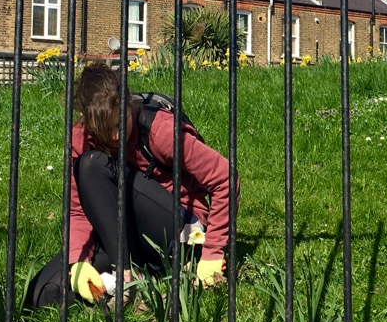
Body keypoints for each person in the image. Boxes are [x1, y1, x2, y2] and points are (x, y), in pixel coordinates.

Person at [26, 62, 237, 308]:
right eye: (105, 129)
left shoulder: (160, 131)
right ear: (88, 122)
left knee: (92, 166)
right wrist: (79, 261)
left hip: (178, 230)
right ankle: (134, 274)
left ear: (129, 105)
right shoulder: (81, 139)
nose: (115, 136)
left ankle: (126, 277)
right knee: (45, 293)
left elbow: (226, 178)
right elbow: (78, 210)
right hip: (124, 237)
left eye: (120, 123)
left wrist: (213, 253)